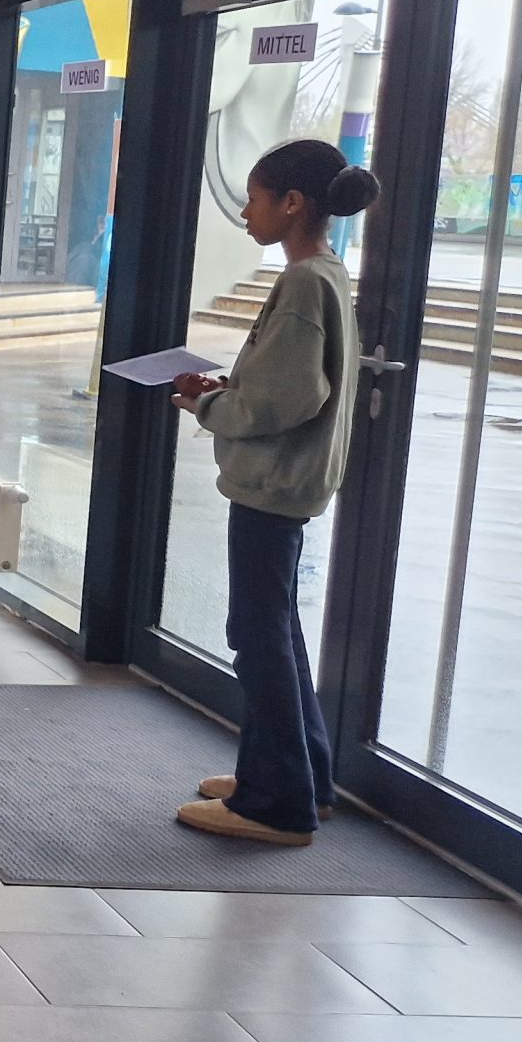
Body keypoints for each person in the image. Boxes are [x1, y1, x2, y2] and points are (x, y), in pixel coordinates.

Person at [171, 139, 377, 847]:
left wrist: (209, 405)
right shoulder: (323, 272)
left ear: (291, 204)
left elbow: (283, 400)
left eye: (254, 199)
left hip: (274, 483)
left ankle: (276, 804)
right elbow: (290, 382)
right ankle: (301, 777)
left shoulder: (303, 282)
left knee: (257, 636)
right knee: (277, 631)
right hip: (290, 480)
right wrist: (227, 389)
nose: (245, 212)